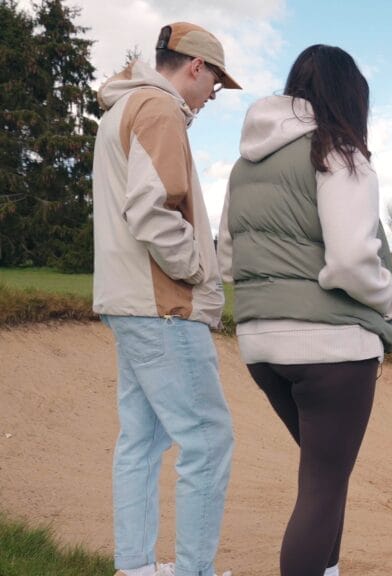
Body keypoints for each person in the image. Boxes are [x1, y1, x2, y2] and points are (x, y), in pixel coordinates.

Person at [217, 44, 392, 576]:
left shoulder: (243, 165)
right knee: (322, 487)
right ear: (349, 96)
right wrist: (389, 301)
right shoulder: (339, 152)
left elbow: (226, 259)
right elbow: (349, 260)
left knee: (326, 477)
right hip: (332, 349)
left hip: (260, 345)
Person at [92, 21, 240, 576]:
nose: (212, 97)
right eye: (215, 84)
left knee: (142, 440)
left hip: (130, 301)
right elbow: (152, 211)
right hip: (162, 308)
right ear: (195, 67)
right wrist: (199, 268)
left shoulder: (124, 108)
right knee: (208, 442)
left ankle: (134, 567)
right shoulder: (160, 110)